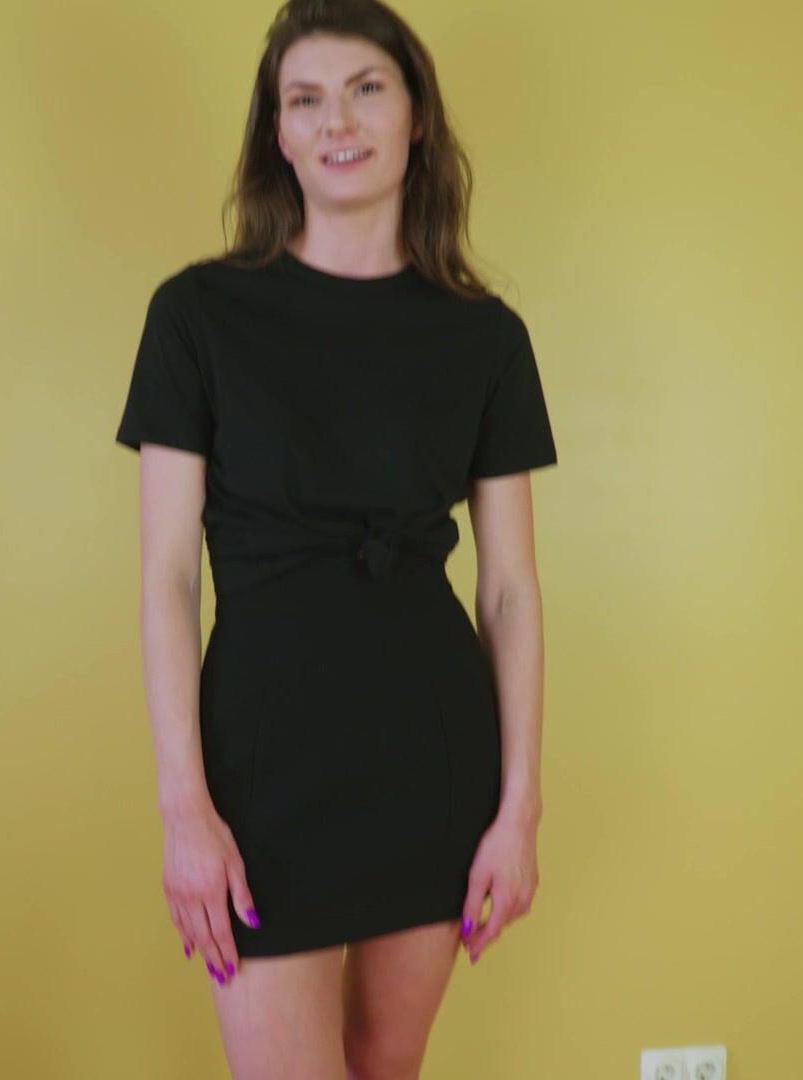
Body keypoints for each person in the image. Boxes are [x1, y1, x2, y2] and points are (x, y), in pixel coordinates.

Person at [114, 1, 558, 1075]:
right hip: (263, 764)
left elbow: (509, 591)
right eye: (304, 99)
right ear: (278, 131)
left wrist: (518, 813)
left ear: (416, 116)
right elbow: (168, 578)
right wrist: (184, 810)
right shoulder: (197, 316)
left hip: (432, 754)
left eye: (366, 89)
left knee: (384, 1067)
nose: (336, 122)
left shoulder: (487, 337)